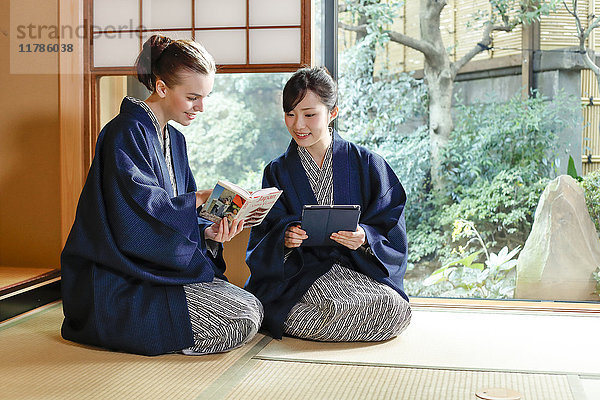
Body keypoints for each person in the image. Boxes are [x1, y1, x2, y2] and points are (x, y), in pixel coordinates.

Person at [61, 35, 263, 356]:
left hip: (156, 270)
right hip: (118, 279)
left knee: (251, 307)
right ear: (162, 87)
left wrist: (207, 233)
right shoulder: (123, 132)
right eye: (193, 97)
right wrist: (197, 199)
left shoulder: (175, 141)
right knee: (238, 317)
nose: (201, 107)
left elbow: (173, 220)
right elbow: (137, 216)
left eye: (205, 97)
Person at [245, 67, 411, 341]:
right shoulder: (277, 171)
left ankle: (307, 321)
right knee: (305, 307)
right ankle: (325, 320)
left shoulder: (367, 163)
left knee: (395, 308)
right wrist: (285, 237)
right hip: (302, 275)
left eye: (310, 115)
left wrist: (365, 237)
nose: (298, 125)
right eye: (290, 114)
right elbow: (265, 230)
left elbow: (391, 222)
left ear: (332, 113)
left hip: (357, 271)